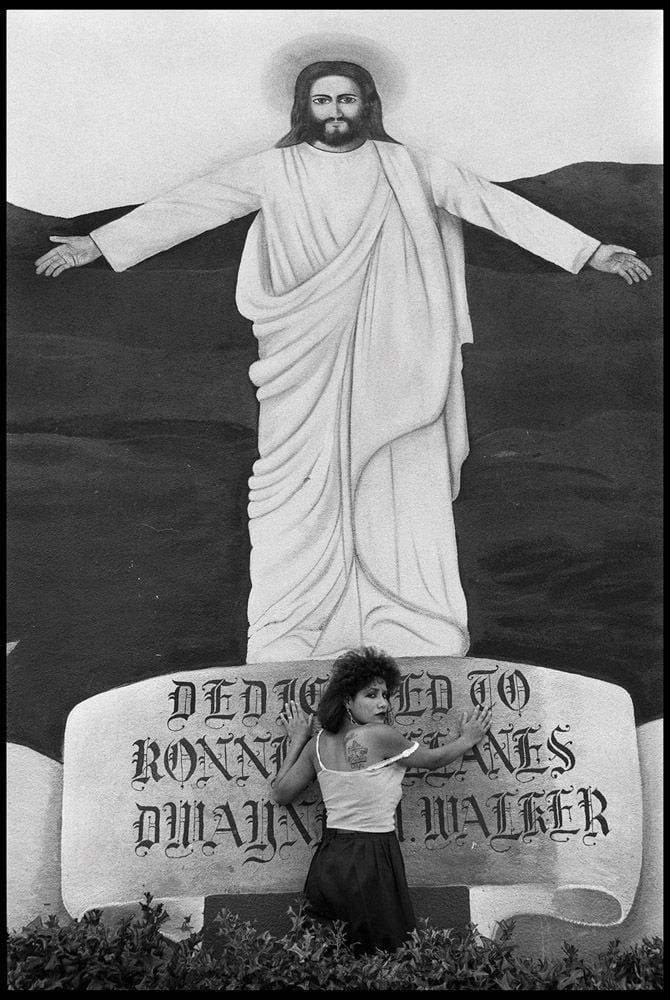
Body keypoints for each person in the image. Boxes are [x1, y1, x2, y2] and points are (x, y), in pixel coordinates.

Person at [33, 61, 652, 666]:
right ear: (305, 108)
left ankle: (414, 623)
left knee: (401, 481)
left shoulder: (407, 167)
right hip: (303, 363)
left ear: (368, 105)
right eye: (323, 101)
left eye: (347, 100)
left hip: (397, 358)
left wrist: (588, 251)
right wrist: (99, 243)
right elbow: (194, 206)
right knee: (297, 490)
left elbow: (490, 204)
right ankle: (294, 626)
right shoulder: (273, 171)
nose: (336, 112)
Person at [271, 645, 492, 952]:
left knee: (330, 957)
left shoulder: (317, 744)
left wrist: (298, 738)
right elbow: (431, 760)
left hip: (329, 858)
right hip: (371, 857)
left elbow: (280, 793)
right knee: (385, 956)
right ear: (348, 700)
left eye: (385, 695)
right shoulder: (378, 735)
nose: (383, 704)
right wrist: (468, 738)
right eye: (371, 695)